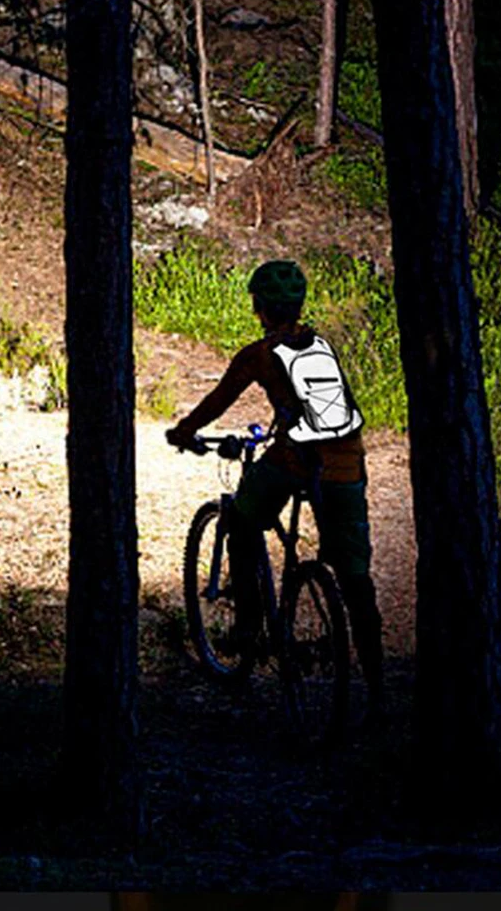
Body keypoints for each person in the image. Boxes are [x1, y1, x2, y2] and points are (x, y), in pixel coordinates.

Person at [166, 259, 385, 721]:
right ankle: (378, 684)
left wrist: (184, 431)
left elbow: (217, 400)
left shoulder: (257, 354)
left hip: (296, 461)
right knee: (355, 578)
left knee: (242, 521)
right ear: (300, 306)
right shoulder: (321, 347)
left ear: (258, 307)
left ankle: (248, 631)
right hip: (347, 464)